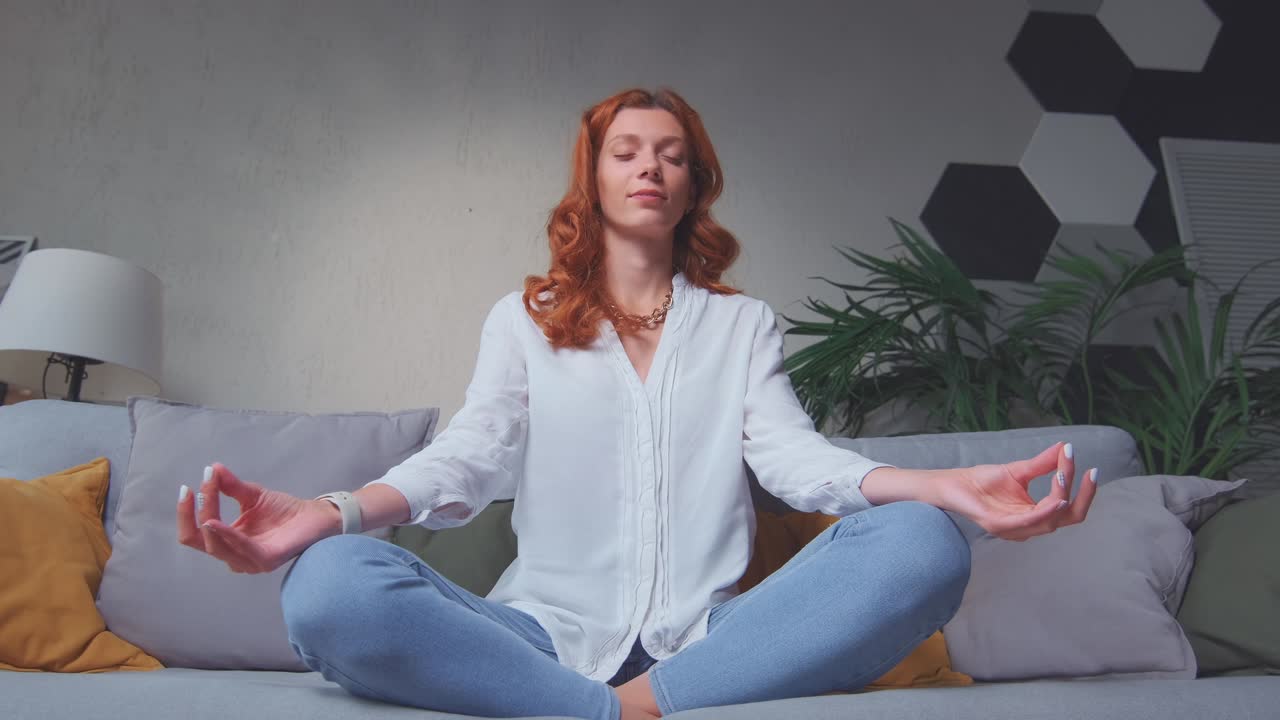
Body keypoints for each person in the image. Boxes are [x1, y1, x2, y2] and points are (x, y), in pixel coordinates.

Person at [175, 87, 1097, 720]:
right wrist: (332, 512)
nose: (650, 168)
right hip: (536, 636)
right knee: (329, 582)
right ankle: (608, 708)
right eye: (626, 151)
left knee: (923, 541)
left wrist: (949, 487)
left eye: (673, 156)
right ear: (597, 176)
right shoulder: (525, 321)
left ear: (695, 184)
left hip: (715, 637)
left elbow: (796, 462)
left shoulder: (743, 327)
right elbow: (470, 455)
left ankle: (648, 700)